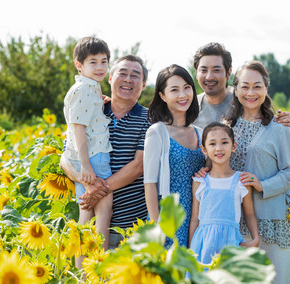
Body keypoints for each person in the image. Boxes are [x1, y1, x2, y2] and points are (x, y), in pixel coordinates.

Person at [60, 54, 150, 253]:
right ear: (110, 78)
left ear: (143, 84)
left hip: (130, 230)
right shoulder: (91, 109)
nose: (128, 79)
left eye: (135, 76)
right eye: (122, 73)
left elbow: (138, 166)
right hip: (90, 224)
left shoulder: (149, 119)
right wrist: (85, 182)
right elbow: (66, 156)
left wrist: (98, 190)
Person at [227, 61, 290, 283]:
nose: (251, 92)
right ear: (236, 89)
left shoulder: (279, 128)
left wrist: (263, 185)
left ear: (266, 89)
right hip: (236, 223)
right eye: (245, 86)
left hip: (273, 221)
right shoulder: (225, 127)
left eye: (257, 86)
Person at [143, 64, 205, 248]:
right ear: (162, 95)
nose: (182, 95)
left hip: (197, 218)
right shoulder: (157, 132)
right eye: (174, 90)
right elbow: (150, 184)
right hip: (168, 219)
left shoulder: (201, 133)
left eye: (187, 87)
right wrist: (156, 226)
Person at [62, 37, 113, 257]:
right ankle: (96, 270)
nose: (100, 67)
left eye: (104, 61)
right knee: (103, 212)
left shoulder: (86, 89)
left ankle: (82, 275)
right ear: (79, 64)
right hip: (93, 157)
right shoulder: (83, 90)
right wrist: (85, 166)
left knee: (86, 213)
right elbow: (78, 128)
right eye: (93, 62)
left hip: (86, 158)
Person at [189, 122, 259, 265]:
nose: (219, 148)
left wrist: (255, 238)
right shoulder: (199, 181)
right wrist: (191, 250)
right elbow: (195, 219)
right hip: (202, 245)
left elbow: (250, 213)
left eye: (224, 142)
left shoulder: (241, 181)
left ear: (233, 146)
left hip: (231, 245)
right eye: (212, 144)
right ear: (204, 149)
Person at [192, 42, 290, 128]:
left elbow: (269, 122)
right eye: (204, 70)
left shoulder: (246, 98)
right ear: (196, 73)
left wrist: (283, 121)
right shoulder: (190, 107)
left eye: (216, 70)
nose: (209, 77)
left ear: (228, 72)